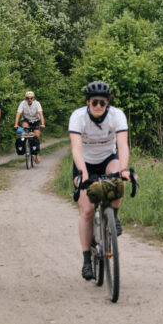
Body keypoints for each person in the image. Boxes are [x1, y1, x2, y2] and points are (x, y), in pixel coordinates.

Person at [69, 80, 130, 281]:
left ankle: (114, 216)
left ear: (107, 104)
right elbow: (76, 149)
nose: (98, 106)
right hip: (85, 162)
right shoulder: (78, 117)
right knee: (87, 210)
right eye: (94, 102)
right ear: (88, 102)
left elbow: (122, 145)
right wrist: (83, 173)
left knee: (118, 182)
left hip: (107, 159)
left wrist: (124, 169)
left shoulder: (117, 116)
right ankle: (87, 259)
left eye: (102, 103)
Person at [14, 90, 45, 164]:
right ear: (26, 98)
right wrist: (16, 124)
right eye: (28, 98)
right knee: (25, 130)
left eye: (31, 98)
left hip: (35, 120)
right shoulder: (22, 103)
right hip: (26, 120)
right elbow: (18, 113)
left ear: (33, 98)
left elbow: (41, 114)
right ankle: (26, 145)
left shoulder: (37, 103)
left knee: (36, 135)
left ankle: (37, 154)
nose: (29, 99)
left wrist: (43, 123)